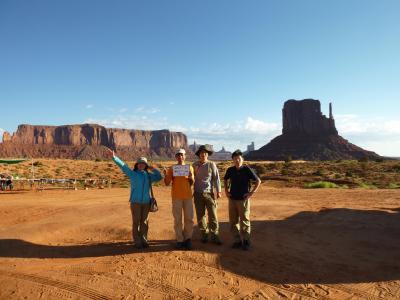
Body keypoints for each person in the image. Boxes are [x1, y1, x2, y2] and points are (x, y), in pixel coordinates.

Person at [108, 149, 162, 249]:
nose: (141, 165)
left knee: (144, 222)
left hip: (146, 203)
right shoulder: (132, 174)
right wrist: (114, 157)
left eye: (143, 164)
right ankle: (137, 241)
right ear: (136, 165)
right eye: (139, 163)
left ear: (146, 165)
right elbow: (123, 166)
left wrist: (152, 168)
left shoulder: (149, 176)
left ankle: (144, 240)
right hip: (135, 202)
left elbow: (160, 177)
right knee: (136, 222)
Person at [224, 149, 261, 250]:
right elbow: (225, 179)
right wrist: (226, 191)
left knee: (244, 220)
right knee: (233, 221)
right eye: (235, 159)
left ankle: (246, 241)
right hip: (232, 199)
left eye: (239, 158)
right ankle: (237, 241)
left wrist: (251, 193)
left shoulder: (246, 169)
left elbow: (258, 181)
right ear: (232, 160)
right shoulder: (230, 170)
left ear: (242, 159)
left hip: (243, 200)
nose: (237, 160)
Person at [164, 148, 195, 250]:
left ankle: (188, 239)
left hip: (188, 197)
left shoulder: (189, 168)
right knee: (177, 219)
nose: (180, 157)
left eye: (182, 155)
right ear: (176, 157)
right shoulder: (172, 168)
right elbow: (167, 183)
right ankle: (179, 240)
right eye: (178, 155)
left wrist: (190, 177)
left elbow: (192, 183)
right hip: (176, 197)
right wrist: (166, 175)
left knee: (189, 219)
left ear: (185, 156)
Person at [192, 144, 222, 245]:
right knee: (200, 216)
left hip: (209, 193)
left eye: (205, 153)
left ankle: (215, 236)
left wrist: (219, 191)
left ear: (207, 154)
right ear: (199, 155)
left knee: (213, 215)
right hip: (197, 194)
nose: (203, 155)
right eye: (201, 153)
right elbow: (190, 179)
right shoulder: (194, 165)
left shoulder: (211, 164)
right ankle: (204, 234)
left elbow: (216, 178)